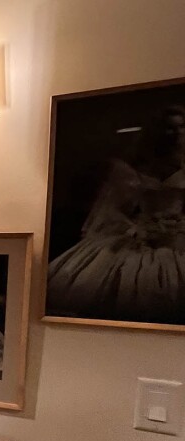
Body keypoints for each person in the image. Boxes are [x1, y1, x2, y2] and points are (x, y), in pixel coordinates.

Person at [46, 105, 185, 324]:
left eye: (181, 126)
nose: (176, 133)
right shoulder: (135, 170)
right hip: (140, 236)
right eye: (170, 127)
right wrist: (137, 228)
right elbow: (112, 210)